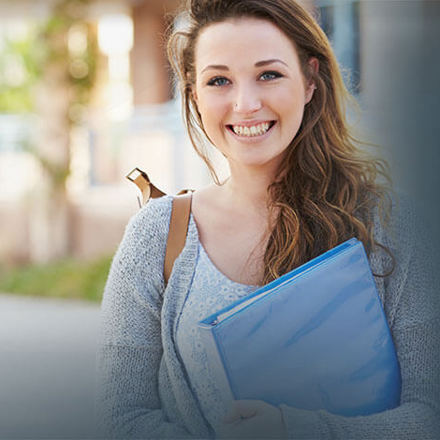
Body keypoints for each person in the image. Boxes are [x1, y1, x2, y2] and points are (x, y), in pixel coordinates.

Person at [96, 0, 439, 438]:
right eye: (219, 80)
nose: (246, 104)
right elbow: (122, 417)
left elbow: (430, 414)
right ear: (194, 93)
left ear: (311, 80)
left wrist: (300, 429)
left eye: (268, 74)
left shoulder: (392, 223)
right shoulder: (157, 236)